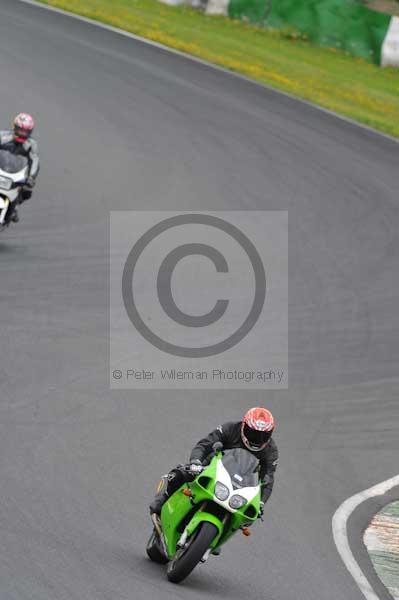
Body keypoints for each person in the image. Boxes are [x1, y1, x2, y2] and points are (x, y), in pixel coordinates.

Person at [150, 407, 278, 519]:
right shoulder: (230, 429)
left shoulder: (270, 451)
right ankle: (163, 498)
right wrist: (196, 462)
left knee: (247, 517)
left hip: (242, 484)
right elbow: (204, 444)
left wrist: (261, 502)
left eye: (263, 436)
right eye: (253, 433)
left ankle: (215, 541)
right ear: (244, 425)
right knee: (180, 474)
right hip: (212, 468)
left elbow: (268, 477)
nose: (257, 439)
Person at [0, 113, 39, 223]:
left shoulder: (31, 144)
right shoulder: (3, 136)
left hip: (16, 170)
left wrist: (31, 177)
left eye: (26, 131)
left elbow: (34, 161)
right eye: (21, 130)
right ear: (15, 127)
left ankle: (15, 207)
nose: (23, 134)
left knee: (26, 191)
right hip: (1, 165)